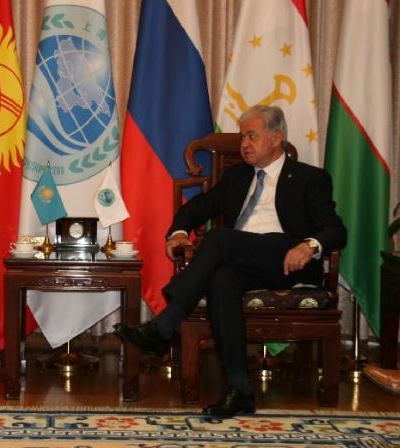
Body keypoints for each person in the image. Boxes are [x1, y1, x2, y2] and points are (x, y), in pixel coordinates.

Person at [114, 105, 347, 418]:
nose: (244, 144)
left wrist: (309, 245)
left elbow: (335, 229)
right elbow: (196, 208)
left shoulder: (310, 178)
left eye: (252, 136)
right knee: (222, 280)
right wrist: (179, 232)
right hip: (244, 260)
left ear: (276, 137)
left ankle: (165, 324)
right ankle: (240, 390)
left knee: (220, 239)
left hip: (287, 260)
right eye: (242, 138)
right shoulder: (237, 176)